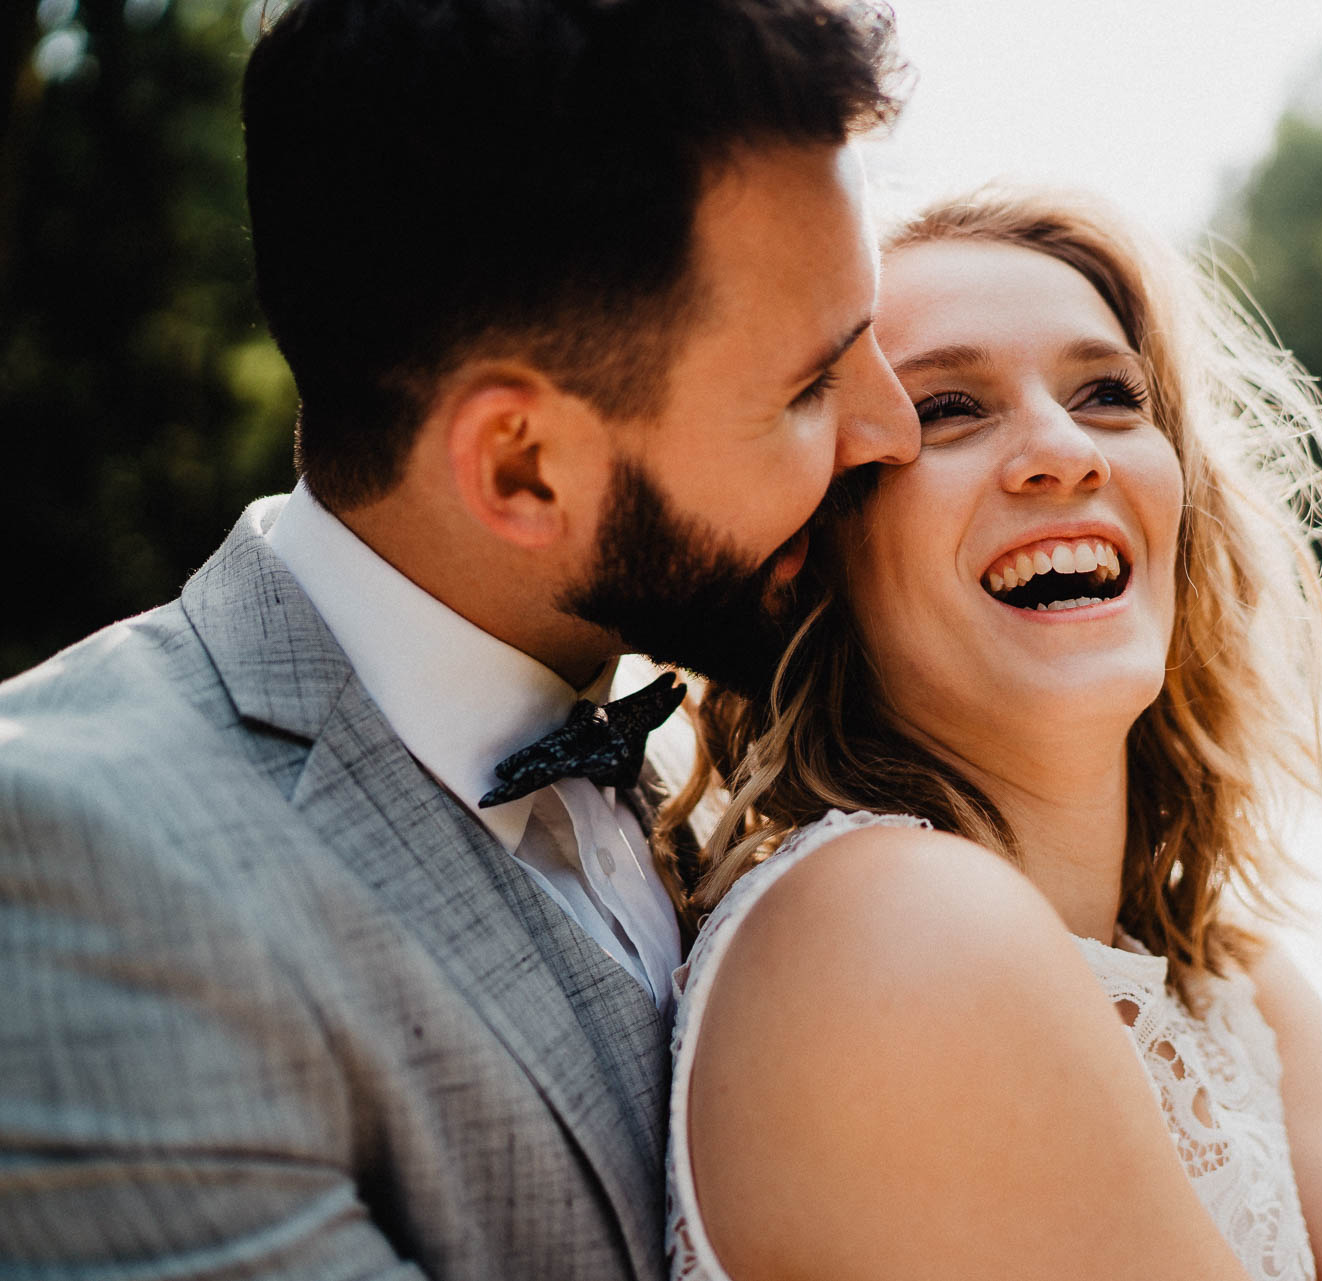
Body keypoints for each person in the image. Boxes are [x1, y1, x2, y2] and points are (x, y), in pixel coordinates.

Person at [0, 0, 916, 1274]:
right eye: (810, 385)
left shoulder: (708, 763)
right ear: (522, 466)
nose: (893, 431)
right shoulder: (78, 869)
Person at [659, 191, 1322, 1280]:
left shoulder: (1214, 971)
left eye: (1110, 394)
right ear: (814, 550)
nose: (1063, 452)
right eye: (948, 411)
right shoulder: (890, 923)